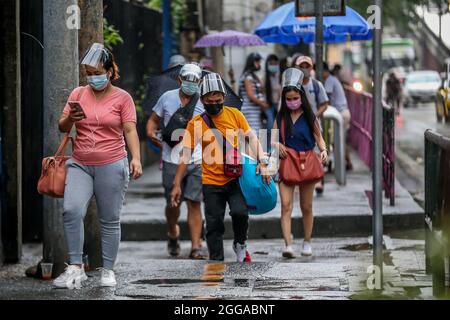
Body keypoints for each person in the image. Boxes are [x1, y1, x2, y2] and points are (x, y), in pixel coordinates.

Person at [54, 43, 143, 289]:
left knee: (109, 219)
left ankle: (108, 270)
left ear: (110, 71)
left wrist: (135, 158)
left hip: (112, 163)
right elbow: (62, 127)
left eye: (97, 73)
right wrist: (71, 118)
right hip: (80, 163)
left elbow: (129, 129)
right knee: (71, 210)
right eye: (89, 74)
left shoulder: (122, 98)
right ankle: (75, 267)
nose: (93, 78)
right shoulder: (78, 94)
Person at [171, 73, 271, 262]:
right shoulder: (196, 124)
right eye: (210, 101)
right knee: (214, 223)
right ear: (202, 101)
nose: (215, 104)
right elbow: (185, 155)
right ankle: (216, 260)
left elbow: (251, 138)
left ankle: (240, 244)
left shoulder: (235, 115)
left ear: (224, 98)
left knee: (240, 213)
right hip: (211, 182)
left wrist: (263, 161)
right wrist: (177, 184)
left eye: (218, 100)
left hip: (236, 179)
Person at [146, 63, 206, 260]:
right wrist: (149, 132)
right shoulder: (167, 97)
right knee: (173, 203)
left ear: (199, 82)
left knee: (194, 203)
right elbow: (154, 120)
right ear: (180, 79)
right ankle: (173, 231)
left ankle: (196, 246)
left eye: (195, 80)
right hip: (171, 158)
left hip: (196, 159)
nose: (191, 83)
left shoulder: (203, 101)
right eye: (187, 79)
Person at [271, 68, 328, 258]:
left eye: (295, 97)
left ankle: (307, 241)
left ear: (301, 97)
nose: (292, 101)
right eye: (288, 99)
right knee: (286, 205)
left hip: (307, 161)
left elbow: (319, 138)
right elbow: (271, 137)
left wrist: (324, 150)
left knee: (307, 206)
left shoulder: (309, 116)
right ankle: (288, 244)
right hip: (287, 162)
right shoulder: (281, 116)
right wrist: (277, 143)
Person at [294, 55, 329, 194]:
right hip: (296, 127)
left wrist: (315, 116)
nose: (304, 69)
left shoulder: (316, 85)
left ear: (311, 67)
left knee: (317, 153)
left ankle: (319, 180)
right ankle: (298, 179)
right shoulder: (292, 86)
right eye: (301, 66)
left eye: (306, 66)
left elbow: (324, 103)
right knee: (297, 153)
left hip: (314, 125)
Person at [322, 62, 353, 170]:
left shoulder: (329, 80)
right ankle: (347, 163)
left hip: (340, 115)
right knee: (340, 140)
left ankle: (342, 166)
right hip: (343, 113)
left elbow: (327, 101)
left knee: (336, 141)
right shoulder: (332, 79)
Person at [239, 53, 269, 134]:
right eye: (258, 62)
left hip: (255, 111)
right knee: (252, 134)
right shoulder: (248, 76)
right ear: (253, 62)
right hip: (250, 111)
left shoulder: (252, 76)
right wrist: (263, 104)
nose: (259, 64)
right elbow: (251, 95)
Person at [264, 54, 282, 143]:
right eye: (271, 64)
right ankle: (268, 148)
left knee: (279, 127)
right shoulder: (264, 78)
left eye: (275, 64)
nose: (273, 66)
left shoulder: (280, 77)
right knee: (270, 126)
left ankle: (276, 147)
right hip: (268, 106)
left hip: (278, 105)